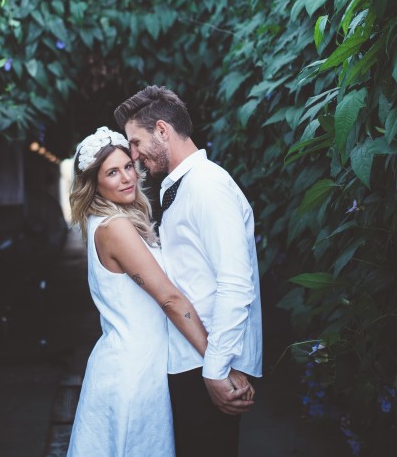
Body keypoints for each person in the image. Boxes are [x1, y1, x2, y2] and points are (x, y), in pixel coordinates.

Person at [66, 126, 252, 457]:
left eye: (127, 166)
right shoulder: (114, 227)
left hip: (138, 363)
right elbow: (169, 298)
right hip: (133, 371)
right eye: (112, 172)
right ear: (94, 184)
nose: (127, 178)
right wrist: (218, 363)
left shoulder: (111, 220)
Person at [114, 86, 263, 457]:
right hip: (192, 360)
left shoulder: (208, 187)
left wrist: (216, 369)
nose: (134, 155)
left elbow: (236, 284)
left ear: (162, 131)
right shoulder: (186, 186)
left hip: (207, 364)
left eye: (136, 142)